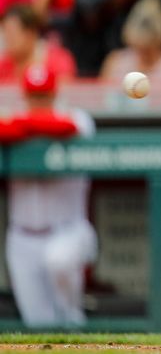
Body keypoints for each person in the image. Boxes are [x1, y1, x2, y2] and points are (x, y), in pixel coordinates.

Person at [1, 65, 97, 326]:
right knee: (37, 324)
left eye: (43, 96)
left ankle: (75, 321)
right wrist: (23, 124)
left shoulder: (78, 118)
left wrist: (21, 124)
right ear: (25, 96)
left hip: (68, 230)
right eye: (33, 96)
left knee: (59, 260)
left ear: (54, 94)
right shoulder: (16, 121)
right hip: (22, 237)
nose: (38, 103)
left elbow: (64, 127)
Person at [100, 0, 161, 81]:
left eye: (148, 50)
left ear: (159, 42)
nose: (143, 54)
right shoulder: (116, 62)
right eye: (139, 48)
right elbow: (102, 92)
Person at [0, 4, 75, 81]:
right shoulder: (3, 65)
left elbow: (66, 88)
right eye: (5, 33)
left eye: (12, 33)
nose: (8, 39)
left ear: (31, 32)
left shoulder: (59, 60)